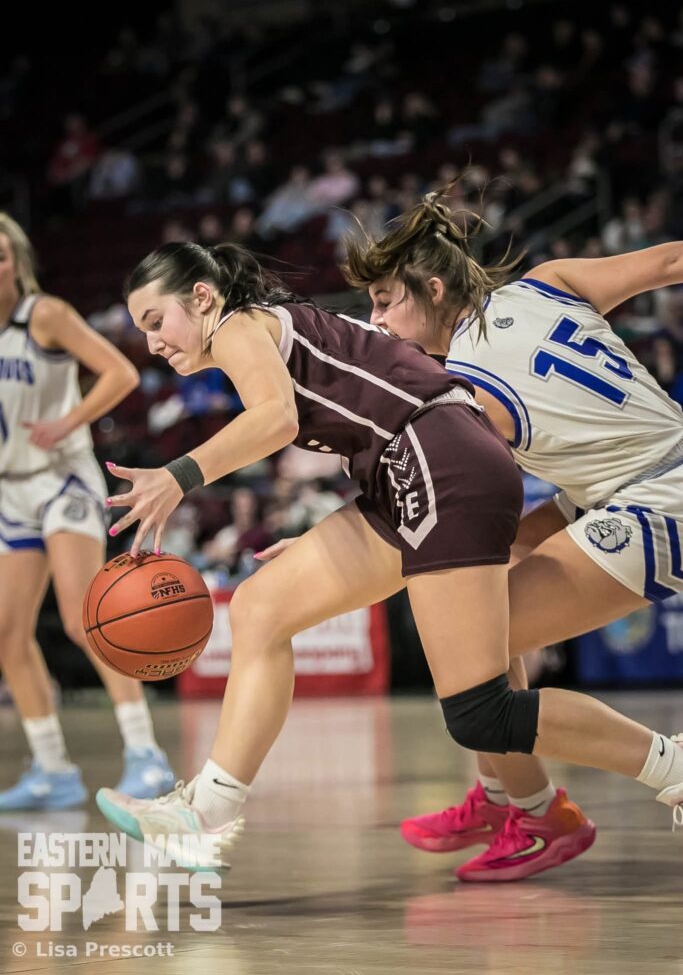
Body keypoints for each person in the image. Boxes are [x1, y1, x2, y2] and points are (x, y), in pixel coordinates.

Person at [95, 240, 683, 874]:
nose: (152, 343)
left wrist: (179, 476)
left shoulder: (238, 326)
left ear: (203, 297)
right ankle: (206, 811)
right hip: (412, 468)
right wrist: (330, 544)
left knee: (477, 706)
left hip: (441, 459)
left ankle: (648, 773)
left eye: (156, 322)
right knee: (262, 606)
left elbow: (275, 420)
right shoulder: (273, 328)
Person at [332, 189, 683, 881]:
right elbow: (671, 257)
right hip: (623, 483)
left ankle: (644, 775)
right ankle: (510, 798)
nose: (375, 322)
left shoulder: (462, 392)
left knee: (476, 657)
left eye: (382, 301)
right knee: (479, 618)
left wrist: (334, 548)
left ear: (433, 288)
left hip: (656, 499)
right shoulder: (546, 283)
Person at [0, 213, 175, 809]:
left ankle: (145, 755)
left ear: (17, 262)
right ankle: (52, 769)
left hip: (62, 477)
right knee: (8, 633)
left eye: (1, 255)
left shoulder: (42, 314)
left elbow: (121, 371)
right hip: (10, 487)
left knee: (82, 619)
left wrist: (68, 422)